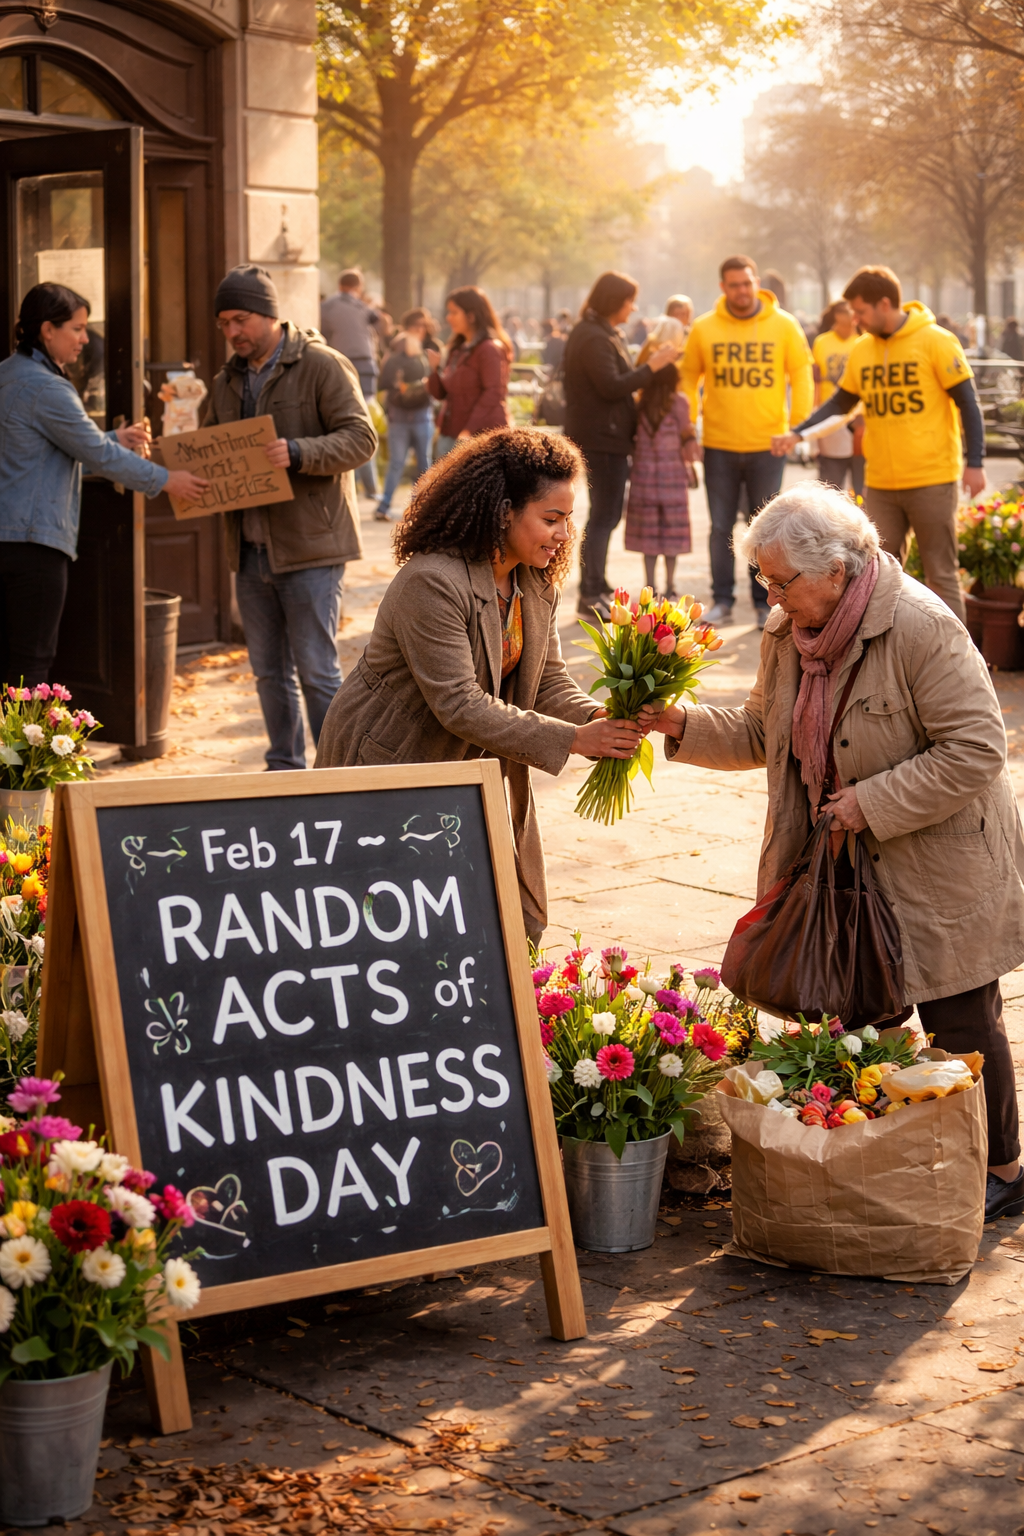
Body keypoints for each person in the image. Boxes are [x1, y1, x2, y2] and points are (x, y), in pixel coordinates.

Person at [641, 483, 1024, 1222]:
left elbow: (976, 748)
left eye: (783, 582)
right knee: (862, 1013)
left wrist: (870, 800)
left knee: (960, 1015)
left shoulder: (920, 625)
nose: (774, 600)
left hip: (938, 855)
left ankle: (1003, 1167)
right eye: (765, 582)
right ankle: (887, 1154)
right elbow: (762, 733)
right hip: (840, 862)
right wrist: (679, 721)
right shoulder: (790, 634)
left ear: (840, 570)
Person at [315, 429, 642, 940]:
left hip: (468, 764)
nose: (562, 534)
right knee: (384, 919)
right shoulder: (432, 581)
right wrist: (574, 741)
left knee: (483, 920)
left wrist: (595, 718)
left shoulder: (533, 577)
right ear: (504, 511)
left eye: (568, 519)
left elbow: (547, 679)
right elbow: (459, 704)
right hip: (391, 758)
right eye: (550, 519)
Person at [205, 263, 377, 771]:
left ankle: (338, 775)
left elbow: (362, 439)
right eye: (224, 324)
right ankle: (284, 768)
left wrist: (298, 452)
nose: (232, 331)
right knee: (267, 672)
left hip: (311, 549)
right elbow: (208, 450)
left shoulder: (323, 365)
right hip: (249, 550)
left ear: (268, 315)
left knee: (318, 672)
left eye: (240, 319)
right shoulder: (225, 381)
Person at [0, 282, 207, 686]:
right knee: (32, 664)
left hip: (9, 538)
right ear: (47, 330)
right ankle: (25, 750)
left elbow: (43, 448)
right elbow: (99, 457)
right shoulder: (48, 387)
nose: (84, 339)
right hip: (34, 545)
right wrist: (167, 480)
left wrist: (114, 438)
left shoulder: (7, 374)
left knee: (12, 658)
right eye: (76, 329)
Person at [773, 266, 985, 623]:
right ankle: (885, 667)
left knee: (941, 576)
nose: (855, 319)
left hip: (932, 478)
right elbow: (842, 402)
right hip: (882, 483)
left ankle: (956, 670)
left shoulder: (936, 340)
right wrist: (799, 432)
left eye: (861, 311)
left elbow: (968, 402)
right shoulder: (863, 349)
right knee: (877, 579)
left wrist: (975, 462)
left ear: (884, 303)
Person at [681, 255, 814, 629]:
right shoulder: (705, 328)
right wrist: (688, 430)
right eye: (734, 284)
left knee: (767, 532)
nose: (742, 290)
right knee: (721, 526)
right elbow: (687, 380)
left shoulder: (784, 325)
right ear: (723, 287)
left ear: (757, 283)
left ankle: (765, 602)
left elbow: (801, 373)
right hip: (719, 444)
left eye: (747, 282)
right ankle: (722, 599)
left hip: (768, 444)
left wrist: (797, 427)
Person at [563, 272, 679, 620]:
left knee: (606, 515)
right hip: (602, 439)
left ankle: (596, 583)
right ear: (615, 301)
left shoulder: (601, 333)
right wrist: (651, 367)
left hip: (607, 437)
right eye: (630, 300)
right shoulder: (594, 337)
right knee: (603, 516)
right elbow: (612, 386)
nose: (634, 307)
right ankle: (589, 592)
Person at [623, 316, 700, 599]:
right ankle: (670, 585)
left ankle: (649, 583)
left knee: (649, 533)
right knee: (672, 531)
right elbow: (686, 433)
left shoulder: (640, 402)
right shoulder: (679, 402)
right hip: (671, 476)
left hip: (644, 473)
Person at [319, 268, 387, 501]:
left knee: (346, 425)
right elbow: (381, 322)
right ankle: (371, 488)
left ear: (340, 285)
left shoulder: (328, 306)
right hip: (367, 370)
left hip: (341, 366)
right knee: (363, 426)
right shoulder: (361, 307)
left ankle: (359, 486)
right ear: (358, 287)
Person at [425, 287, 512, 460]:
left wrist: (469, 430)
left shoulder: (489, 349)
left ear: (471, 316)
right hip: (451, 435)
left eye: (454, 312)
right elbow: (441, 394)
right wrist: (434, 370)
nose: (448, 317)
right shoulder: (457, 349)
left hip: (479, 438)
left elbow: (494, 393)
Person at [376, 308, 435, 522]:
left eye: (422, 327)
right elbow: (385, 383)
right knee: (396, 463)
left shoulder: (430, 352)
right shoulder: (395, 356)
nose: (418, 331)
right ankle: (383, 506)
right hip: (399, 417)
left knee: (423, 464)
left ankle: (423, 508)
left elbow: (437, 383)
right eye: (414, 326)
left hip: (422, 416)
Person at [810, 300, 864, 497]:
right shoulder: (822, 342)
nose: (849, 317)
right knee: (830, 483)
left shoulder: (862, 341)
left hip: (858, 419)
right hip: (830, 416)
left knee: (860, 483)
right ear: (836, 315)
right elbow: (815, 382)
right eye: (844, 312)